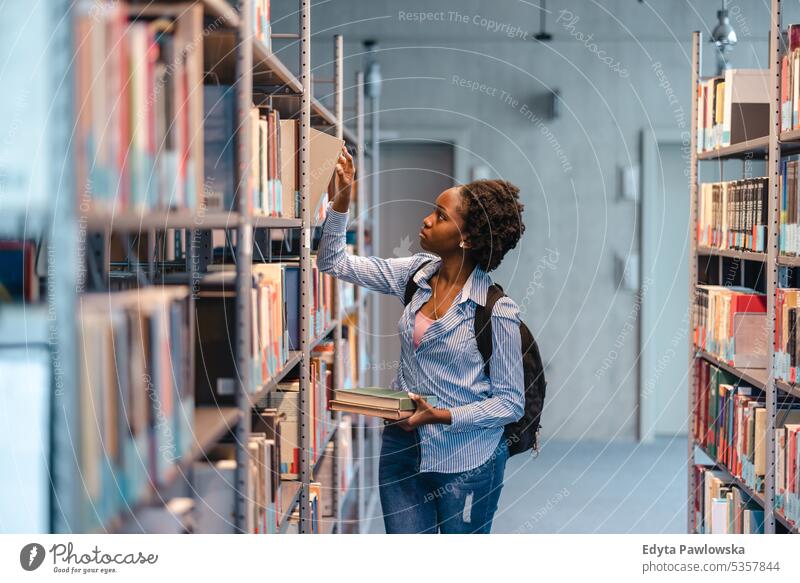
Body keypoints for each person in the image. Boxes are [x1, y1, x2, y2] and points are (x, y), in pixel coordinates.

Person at [317, 146, 526, 533]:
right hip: (402, 448)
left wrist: (443, 416)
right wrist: (341, 201)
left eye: (440, 216)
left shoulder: (496, 311)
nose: (426, 220)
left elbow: (511, 404)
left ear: (465, 238)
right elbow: (333, 262)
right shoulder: (415, 275)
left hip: (467, 460)